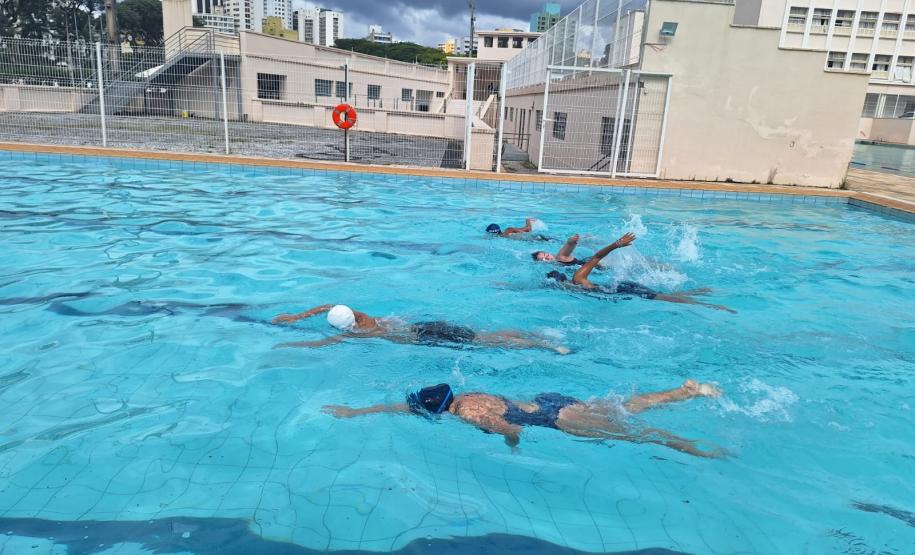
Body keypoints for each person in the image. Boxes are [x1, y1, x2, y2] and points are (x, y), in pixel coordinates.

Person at [323, 380, 726, 458]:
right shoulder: (469, 394)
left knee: (635, 435)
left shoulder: (467, 414)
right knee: (627, 408)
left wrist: (510, 447)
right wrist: (357, 411)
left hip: (559, 421)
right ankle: (683, 391)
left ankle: (689, 447)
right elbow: (405, 407)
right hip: (552, 401)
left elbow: (512, 429)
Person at [547, 232, 736, 313]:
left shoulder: (577, 280)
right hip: (620, 288)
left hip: (622, 289)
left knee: (665, 298)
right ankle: (699, 293)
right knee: (664, 296)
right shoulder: (576, 284)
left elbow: (595, 257)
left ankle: (709, 306)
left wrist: (617, 244)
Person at [272, 304, 570, 354]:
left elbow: (324, 344)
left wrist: (290, 345)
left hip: (426, 337)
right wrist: (298, 316)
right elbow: (327, 305)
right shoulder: (361, 316)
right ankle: (538, 336)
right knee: (483, 335)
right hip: (424, 325)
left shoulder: (361, 332)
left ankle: (541, 346)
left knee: (487, 343)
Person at [485, 218, 550, 241]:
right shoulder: (507, 231)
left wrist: (528, 220)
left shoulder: (507, 232)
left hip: (536, 238)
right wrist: (527, 219)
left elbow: (529, 229)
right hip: (534, 239)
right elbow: (528, 229)